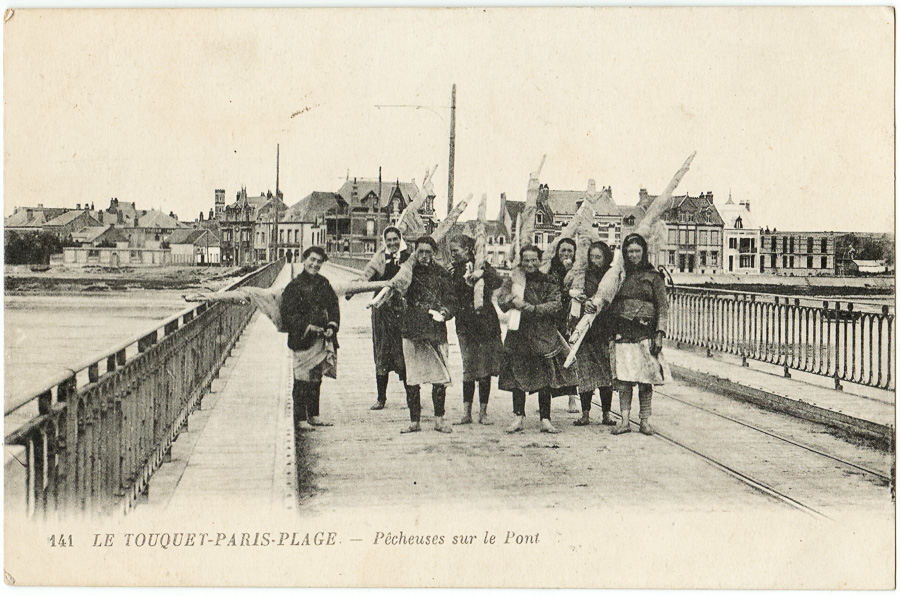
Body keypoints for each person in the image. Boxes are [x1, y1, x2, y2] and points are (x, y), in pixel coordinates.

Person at [498, 244, 578, 434]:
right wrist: (511, 300)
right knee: (518, 376)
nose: (530, 263)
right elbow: (501, 301)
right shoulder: (514, 280)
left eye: (534, 260)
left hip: (542, 334)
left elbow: (555, 304)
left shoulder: (548, 280)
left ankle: (545, 419)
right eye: (526, 260)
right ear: (521, 261)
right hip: (518, 334)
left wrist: (531, 308)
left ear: (540, 261)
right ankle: (518, 417)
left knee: (544, 379)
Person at [608, 233, 670, 436]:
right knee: (624, 380)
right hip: (623, 331)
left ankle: (644, 421)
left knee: (645, 379)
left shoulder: (654, 277)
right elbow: (609, 300)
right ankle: (624, 420)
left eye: (637, 251)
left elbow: (662, 307)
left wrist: (659, 333)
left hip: (646, 333)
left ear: (643, 252)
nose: (633, 255)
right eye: (629, 251)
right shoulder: (619, 275)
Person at [399, 236, 457, 434]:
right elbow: (397, 290)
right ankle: (414, 421)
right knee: (412, 377)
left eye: (428, 252)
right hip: (412, 328)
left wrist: (444, 313)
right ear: (415, 252)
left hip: (435, 329)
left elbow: (451, 300)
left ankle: (439, 420)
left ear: (434, 253)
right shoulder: (407, 272)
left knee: (440, 377)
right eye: (420, 252)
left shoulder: (442, 274)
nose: (424, 256)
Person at [280, 246, 340, 431]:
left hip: (321, 337)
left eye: (319, 262)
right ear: (304, 259)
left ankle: (313, 415)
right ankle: (300, 418)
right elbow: (287, 314)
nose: (315, 264)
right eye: (312, 260)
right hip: (303, 339)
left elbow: (333, 306)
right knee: (302, 378)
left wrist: (331, 326)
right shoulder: (294, 286)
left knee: (315, 378)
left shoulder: (324, 283)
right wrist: (307, 326)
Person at [447, 234, 504, 425]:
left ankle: (483, 412)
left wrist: (483, 273)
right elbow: (449, 293)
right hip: (465, 324)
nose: (452, 254)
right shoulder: (453, 270)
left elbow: (498, 282)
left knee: (485, 368)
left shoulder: (483, 266)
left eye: (455, 250)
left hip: (486, 323)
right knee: (468, 367)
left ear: (467, 249)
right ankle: (466, 413)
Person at [357, 226, 410, 410]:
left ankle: (411, 396)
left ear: (400, 239)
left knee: (404, 353)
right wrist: (356, 286)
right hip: (382, 311)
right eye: (389, 240)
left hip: (402, 312)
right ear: (385, 241)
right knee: (381, 352)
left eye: (396, 239)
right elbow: (366, 275)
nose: (393, 243)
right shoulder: (379, 258)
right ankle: (381, 398)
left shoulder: (408, 257)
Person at [571, 241, 616, 426]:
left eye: (598, 257)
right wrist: (584, 302)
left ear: (606, 258)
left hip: (604, 327)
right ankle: (585, 414)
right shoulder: (583, 276)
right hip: (586, 330)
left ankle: (606, 413)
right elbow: (575, 294)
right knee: (585, 372)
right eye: (592, 257)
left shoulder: (612, 276)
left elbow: (615, 298)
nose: (594, 260)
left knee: (606, 373)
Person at [546, 237, 580, 413]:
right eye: (563, 250)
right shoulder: (551, 270)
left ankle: (572, 398)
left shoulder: (578, 271)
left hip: (570, 317)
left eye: (569, 251)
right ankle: (548, 398)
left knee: (570, 355)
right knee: (551, 358)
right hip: (554, 317)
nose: (566, 254)